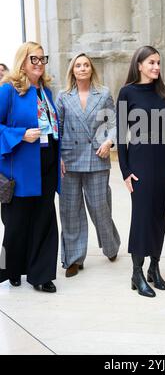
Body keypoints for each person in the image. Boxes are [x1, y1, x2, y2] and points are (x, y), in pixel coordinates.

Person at [116, 46, 165, 298]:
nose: (156, 67)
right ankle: (137, 272)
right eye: (151, 62)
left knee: (157, 218)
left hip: (162, 164)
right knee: (142, 218)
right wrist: (125, 171)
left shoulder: (162, 93)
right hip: (139, 164)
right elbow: (121, 135)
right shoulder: (127, 93)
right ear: (139, 65)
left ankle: (154, 267)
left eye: (158, 63)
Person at [0, 41, 60, 292]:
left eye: (42, 59)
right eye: (33, 59)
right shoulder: (9, 90)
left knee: (45, 219)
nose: (39, 64)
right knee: (16, 224)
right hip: (20, 167)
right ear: (22, 62)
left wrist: (61, 158)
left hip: (47, 161)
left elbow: (53, 127)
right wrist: (21, 135)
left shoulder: (45, 91)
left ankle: (42, 275)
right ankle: (11, 269)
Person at [56, 53, 120, 278]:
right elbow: (58, 127)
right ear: (72, 70)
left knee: (100, 208)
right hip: (69, 159)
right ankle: (73, 259)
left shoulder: (103, 94)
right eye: (78, 65)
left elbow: (113, 123)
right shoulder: (63, 96)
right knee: (70, 211)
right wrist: (58, 157)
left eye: (86, 65)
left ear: (91, 69)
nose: (82, 68)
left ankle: (111, 246)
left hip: (97, 156)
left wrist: (109, 141)